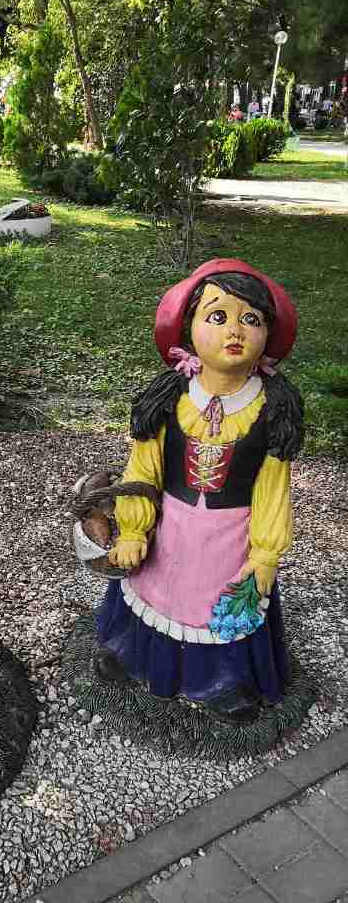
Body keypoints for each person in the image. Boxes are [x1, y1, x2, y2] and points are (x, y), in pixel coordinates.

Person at [94, 259, 304, 725]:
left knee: (218, 603)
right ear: (188, 327)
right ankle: (132, 652)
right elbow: (143, 467)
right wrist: (133, 528)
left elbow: (273, 488)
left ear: (268, 334)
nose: (235, 330)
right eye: (218, 316)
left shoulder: (272, 409)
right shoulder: (170, 398)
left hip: (230, 536)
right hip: (170, 522)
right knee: (155, 588)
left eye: (251, 319)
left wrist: (265, 554)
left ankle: (222, 681)